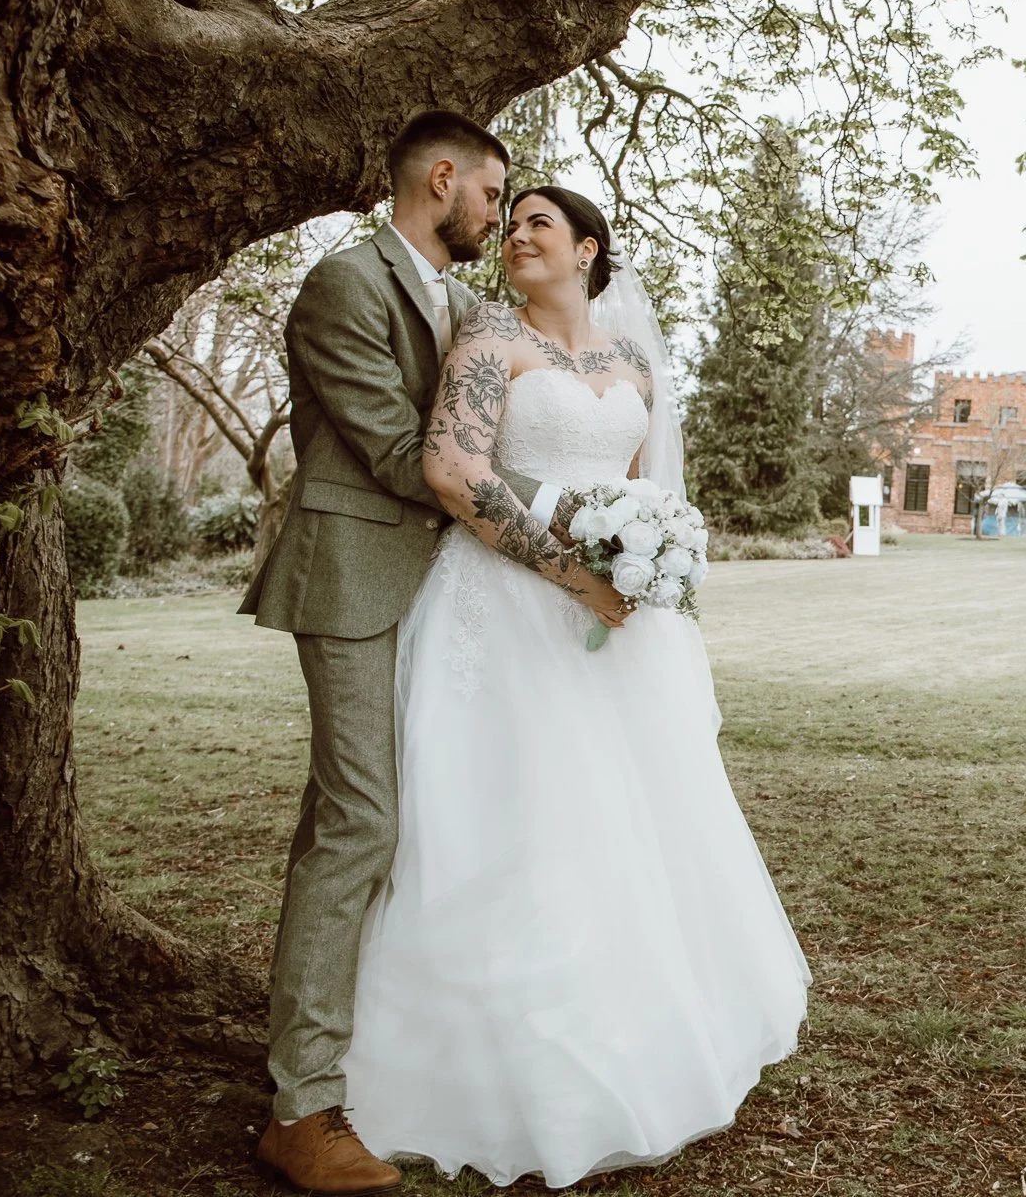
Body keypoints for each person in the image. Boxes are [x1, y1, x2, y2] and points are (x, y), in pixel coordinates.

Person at [338, 184, 809, 1188]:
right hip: (505, 607)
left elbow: (642, 488)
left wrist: (651, 556)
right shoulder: (484, 344)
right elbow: (455, 470)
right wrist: (569, 566)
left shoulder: (634, 361)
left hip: (615, 621)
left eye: (536, 224)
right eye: (506, 224)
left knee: (626, 817)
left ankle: (649, 1027)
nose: (514, 236)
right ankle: (491, 1062)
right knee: (510, 816)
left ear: (589, 249)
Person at [245, 113, 635, 1193]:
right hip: (355, 576)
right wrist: (556, 534)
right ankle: (303, 1106)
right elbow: (397, 447)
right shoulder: (344, 285)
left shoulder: (454, 299)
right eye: (494, 196)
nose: (501, 217)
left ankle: (371, 1040)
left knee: (399, 816)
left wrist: (625, 516)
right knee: (361, 817)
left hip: (443, 589)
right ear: (445, 178)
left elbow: (514, 381)